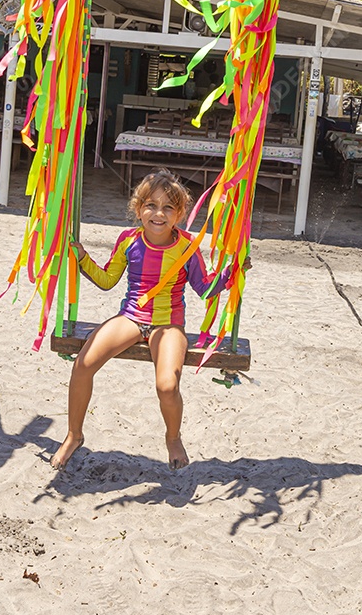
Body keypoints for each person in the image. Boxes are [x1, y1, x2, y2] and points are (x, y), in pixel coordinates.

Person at [50, 168, 250, 472]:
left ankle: (173, 437)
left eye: (168, 207)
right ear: (138, 209)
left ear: (180, 213)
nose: (159, 213)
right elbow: (106, 280)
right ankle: (74, 435)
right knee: (83, 364)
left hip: (169, 323)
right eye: (151, 205)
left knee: (167, 386)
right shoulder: (129, 241)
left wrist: (233, 272)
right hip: (132, 316)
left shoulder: (186, 247)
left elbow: (206, 289)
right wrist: (81, 257)